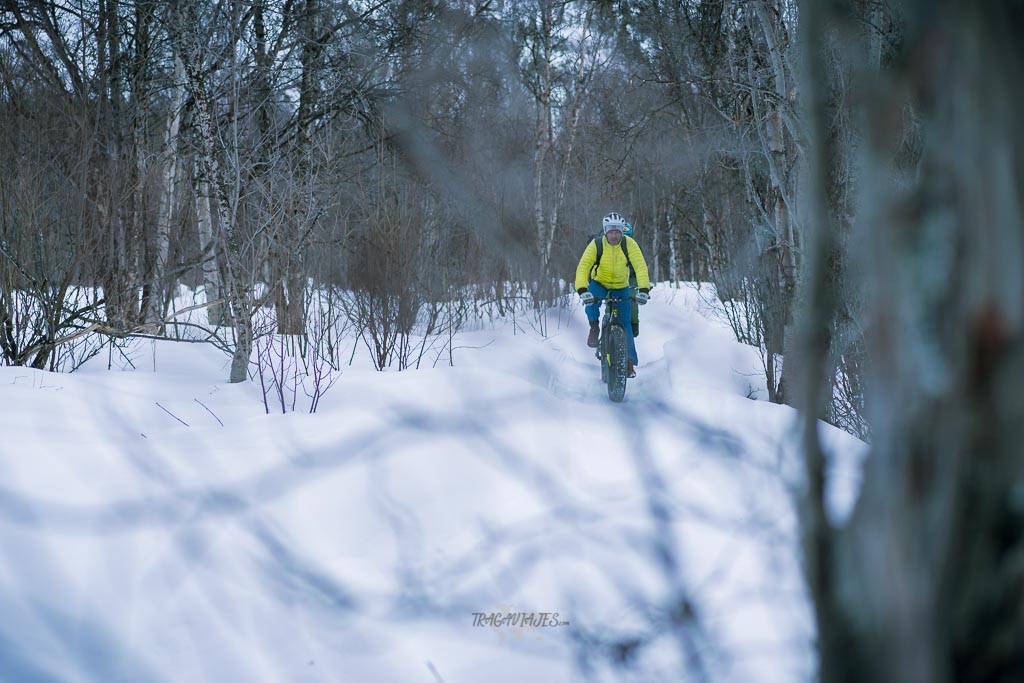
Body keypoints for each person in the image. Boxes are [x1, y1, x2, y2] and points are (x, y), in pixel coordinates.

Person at [575, 212, 651, 377]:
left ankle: (629, 363)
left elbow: (640, 267)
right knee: (591, 303)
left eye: (617, 231)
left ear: (622, 231)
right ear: (605, 231)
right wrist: (582, 290)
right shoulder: (596, 244)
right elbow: (583, 266)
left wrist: (644, 289)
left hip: (621, 286)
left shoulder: (629, 244)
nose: (614, 234)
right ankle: (594, 327)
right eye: (611, 231)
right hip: (600, 282)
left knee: (625, 323)